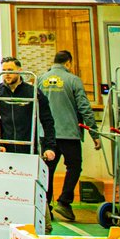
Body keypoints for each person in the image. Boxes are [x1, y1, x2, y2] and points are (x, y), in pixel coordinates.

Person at [39, 50, 100, 222]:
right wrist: (94, 132)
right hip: (69, 133)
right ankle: (64, 202)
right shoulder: (73, 80)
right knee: (74, 166)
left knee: (47, 170)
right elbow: (84, 107)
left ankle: (45, 207)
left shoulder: (40, 79)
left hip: (47, 135)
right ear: (68, 63)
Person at [0, 56, 57, 162]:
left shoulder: (33, 92)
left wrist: (49, 147)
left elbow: (47, 121)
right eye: (4, 71)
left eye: (10, 70)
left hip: (28, 147)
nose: (6, 74)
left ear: (19, 71)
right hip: (6, 148)